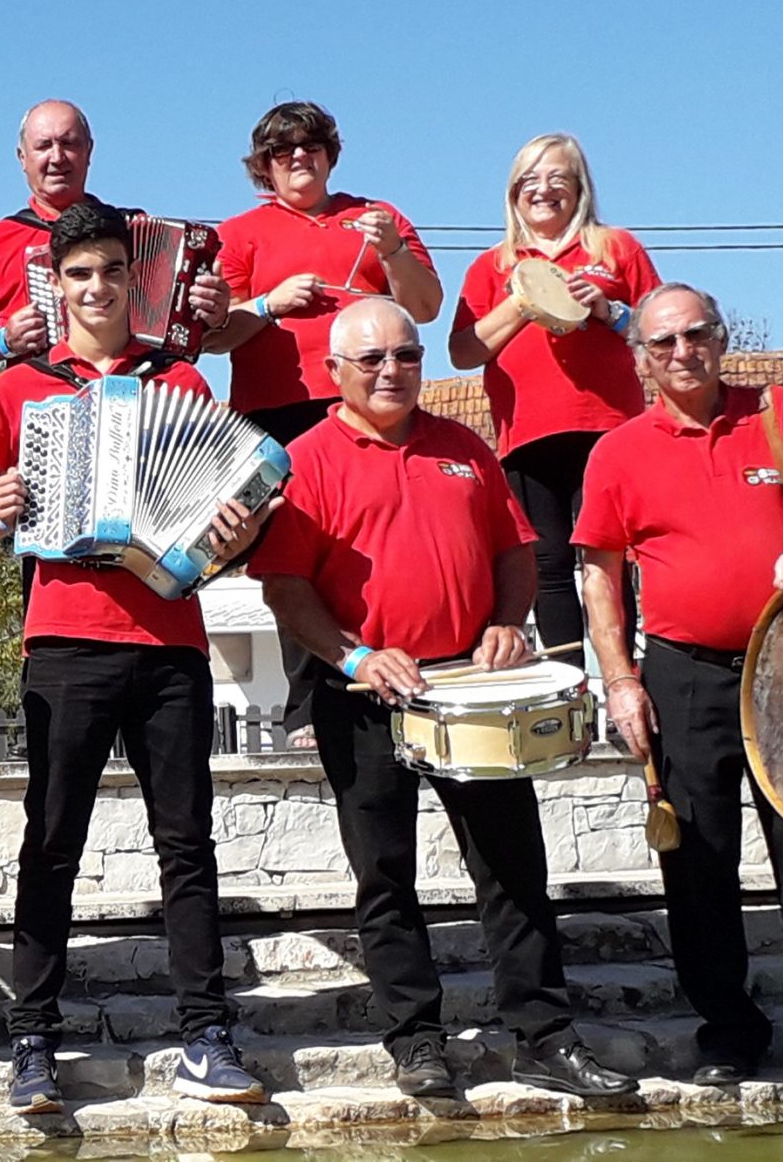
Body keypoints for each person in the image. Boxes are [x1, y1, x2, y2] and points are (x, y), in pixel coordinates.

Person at [250, 300, 634, 1101]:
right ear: (334, 373)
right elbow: (285, 588)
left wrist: (504, 623)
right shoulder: (305, 459)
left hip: (472, 687)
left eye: (407, 355)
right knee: (385, 877)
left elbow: (517, 554)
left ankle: (545, 1036)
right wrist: (354, 653)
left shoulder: (465, 446)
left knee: (513, 869)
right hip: (360, 690)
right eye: (371, 360)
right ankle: (417, 1042)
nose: (392, 371)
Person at [0, 201, 270, 1112]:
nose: (96, 289)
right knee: (50, 846)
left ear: (136, 281)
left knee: (187, 846)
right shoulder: (20, 387)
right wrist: (3, 506)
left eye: (111, 273)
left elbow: (221, 542)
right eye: (79, 275)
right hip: (63, 640)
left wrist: (231, 533)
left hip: (169, 640)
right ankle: (33, 1044)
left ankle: (206, 1037)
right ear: (56, 283)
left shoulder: (183, 383)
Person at [574, 283, 783, 1096]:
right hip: (681, 675)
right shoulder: (617, 451)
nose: (683, 352)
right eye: (663, 343)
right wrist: (621, 682)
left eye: (697, 335)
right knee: (698, 862)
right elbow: (599, 576)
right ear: (640, 357)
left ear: (721, 337)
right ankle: (728, 1031)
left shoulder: (778, 413)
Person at [212, 101, 442, 751]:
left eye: (310, 148)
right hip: (276, 413)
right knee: (292, 554)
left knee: (380, 546)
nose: (298, 160)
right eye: (282, 154)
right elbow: (213, 336)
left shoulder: (378, 218)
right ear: (263, 167)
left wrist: (393, 253)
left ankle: (408, 679)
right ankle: (305, 708)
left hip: (372, 407)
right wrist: (268, 303)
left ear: (330, 154)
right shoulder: (239, 233)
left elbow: (424, 305)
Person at [448, 134, 664, 652]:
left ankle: (621, 674)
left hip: (609, 427)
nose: (543, 190)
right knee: (547, 562)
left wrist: (608, 312)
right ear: (513, 192)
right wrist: (524, 303)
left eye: (558, 179)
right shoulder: (491, 265)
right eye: (530, 180)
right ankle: (569, 685)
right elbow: (461, 351)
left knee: (608, 554)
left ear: (580, 188)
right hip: (527, 434)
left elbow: (660, 330)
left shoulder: (616, 248)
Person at [0, 100, 230, 370]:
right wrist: (4, 341)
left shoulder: (132, 230)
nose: (57, 157)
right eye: (43, 146)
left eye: (69, 143)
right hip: (40, 401)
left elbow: (196, 339)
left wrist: (213, 317)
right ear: (22, 158)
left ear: (89, 151)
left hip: (131, 396)